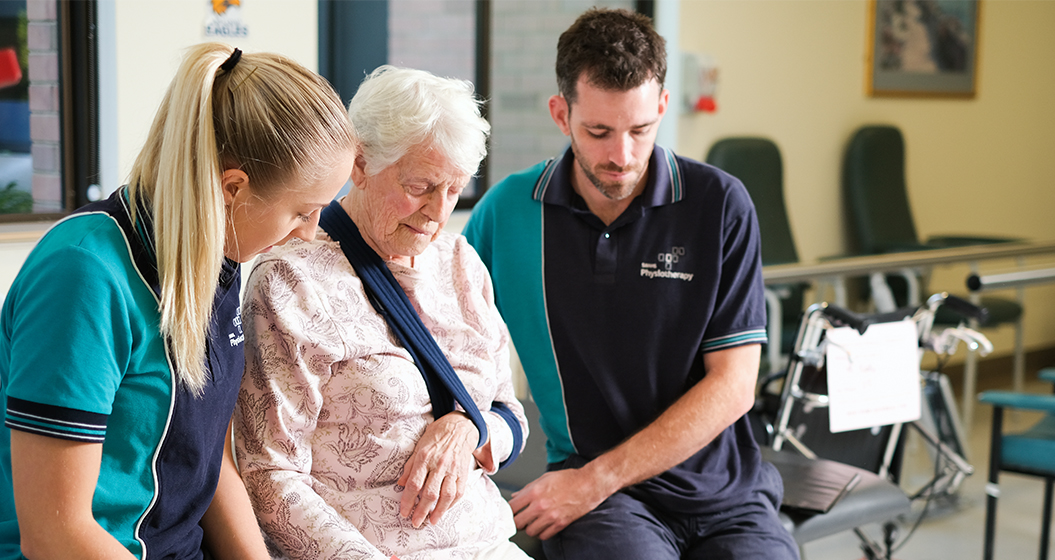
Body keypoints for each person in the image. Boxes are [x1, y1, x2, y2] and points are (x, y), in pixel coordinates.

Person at [463, 8, 799, 560]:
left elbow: (735, 385)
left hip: (725, 493)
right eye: (598, 132)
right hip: (601, 499)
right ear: (561, 114)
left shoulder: (720, 204)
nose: (621, 156)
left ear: (662, 106)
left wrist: (596, 480)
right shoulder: (508, 214)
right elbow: (443, 334)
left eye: (640, 130)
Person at [0, 43, 357, 560]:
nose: (309, 232)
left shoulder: (216, 260)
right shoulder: (83, 276)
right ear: (232, 188)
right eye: (303, 212)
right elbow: (55, 534)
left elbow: (208, 461)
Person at [233, 65, 530, 560]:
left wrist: (466, 429)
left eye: (454, 190)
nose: (438, 212)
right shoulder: (291, 281)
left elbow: (510, 415)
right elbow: (270, 475)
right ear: (361, 165)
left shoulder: (461, 264)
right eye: (420, 186)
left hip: (488, 544)